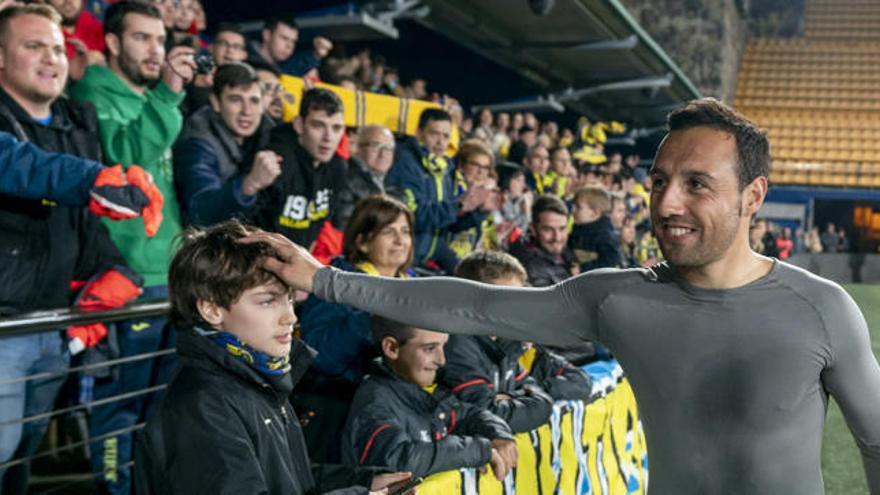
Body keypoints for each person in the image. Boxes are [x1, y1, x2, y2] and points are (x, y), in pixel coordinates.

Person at [244, 98, 880, 494]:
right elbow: (472, 304)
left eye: (696, 184)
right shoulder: (619, 300)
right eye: (658, 181)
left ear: (754, 196)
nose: (666, 204)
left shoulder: (822, 309)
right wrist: (324, 278)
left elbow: (875, 442)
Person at [134, 220, 412, 495]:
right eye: (267, 301)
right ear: (211, 309)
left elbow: (293, 480)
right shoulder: (202, 405)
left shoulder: (256, 379)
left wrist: (366, 483)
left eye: (289, 299)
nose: (290, 317)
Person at [0, 6, 142, 492]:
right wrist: (95, 179)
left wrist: (117, 271)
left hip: (55, 326)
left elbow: (83, 222)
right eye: (33, 46)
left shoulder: (74, 125)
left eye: (58, 47)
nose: (51, 58)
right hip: (5, 328)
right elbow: (22, 166)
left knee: (21, 459)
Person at [68, 1, 195, 492]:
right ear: (113, 43)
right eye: (142, 38)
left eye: (160, 40)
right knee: (118, 407)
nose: (155, 50)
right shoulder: (94, 91)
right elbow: (123, 162)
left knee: (162, 405)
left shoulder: (150, 98)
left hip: (170, 277)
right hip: (126, 280)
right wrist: (168, 94)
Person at [295, 195, 415, 462]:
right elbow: (320, 354)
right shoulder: (336, 282)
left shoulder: (416, 285)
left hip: (397, 412)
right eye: (388, 231)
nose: (400, 240)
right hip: (335, 411)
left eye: (405, 232)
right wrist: (372, 312)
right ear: (362, 241)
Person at [341, 315, 517, 480]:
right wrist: (478, 451)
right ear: (391, 348)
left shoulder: (426, 389)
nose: (441, 360)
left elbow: (471, 415)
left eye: (443, 346)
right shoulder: (373, 401)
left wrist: (498, 435)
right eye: (430, 349)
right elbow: (397, 459)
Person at [453, 251, 592, 402]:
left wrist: (525, 394)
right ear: (475, 299)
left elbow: (582, 382)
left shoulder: (514, 342)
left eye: (519, 297)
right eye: (507, 298)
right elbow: (487, 409)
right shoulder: (458, 346)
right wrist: (530, 397)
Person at [173, 62, 278, 226]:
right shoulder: (197, 143)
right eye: (236, 100)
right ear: (216, 102)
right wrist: (250, 185)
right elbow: (200, 211)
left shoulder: (268, 131)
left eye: (254, 101)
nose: (247, 111)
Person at [388, 108, 490, 273]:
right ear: (419, 132)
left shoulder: (444, 167)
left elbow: (448, 225)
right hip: (406, 259)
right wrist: (458, 206)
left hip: (433, 253)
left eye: (445, 136)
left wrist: (478, 211)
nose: (440, 142)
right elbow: (413, 217)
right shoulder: (406, 164)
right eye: (434, 134)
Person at [250, 87, 346, 250]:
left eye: (336, 128)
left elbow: (319, 223)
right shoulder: (275, 161)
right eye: (318, 126)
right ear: (299, 125)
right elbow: (249, 222)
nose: (328, 137)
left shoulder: (338, 167)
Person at [509, 194, 577, 287]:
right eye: (548, 229)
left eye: (562, 229)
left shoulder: (570, 248)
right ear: (533, 229)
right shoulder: (531, 268)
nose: (557, 237)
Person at [568, 186, 622, 272]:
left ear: (594, 213)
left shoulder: (605, 236)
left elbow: (611, 261)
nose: (573, 210)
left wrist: (583, 269)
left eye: (578, 207)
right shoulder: (578, 229)